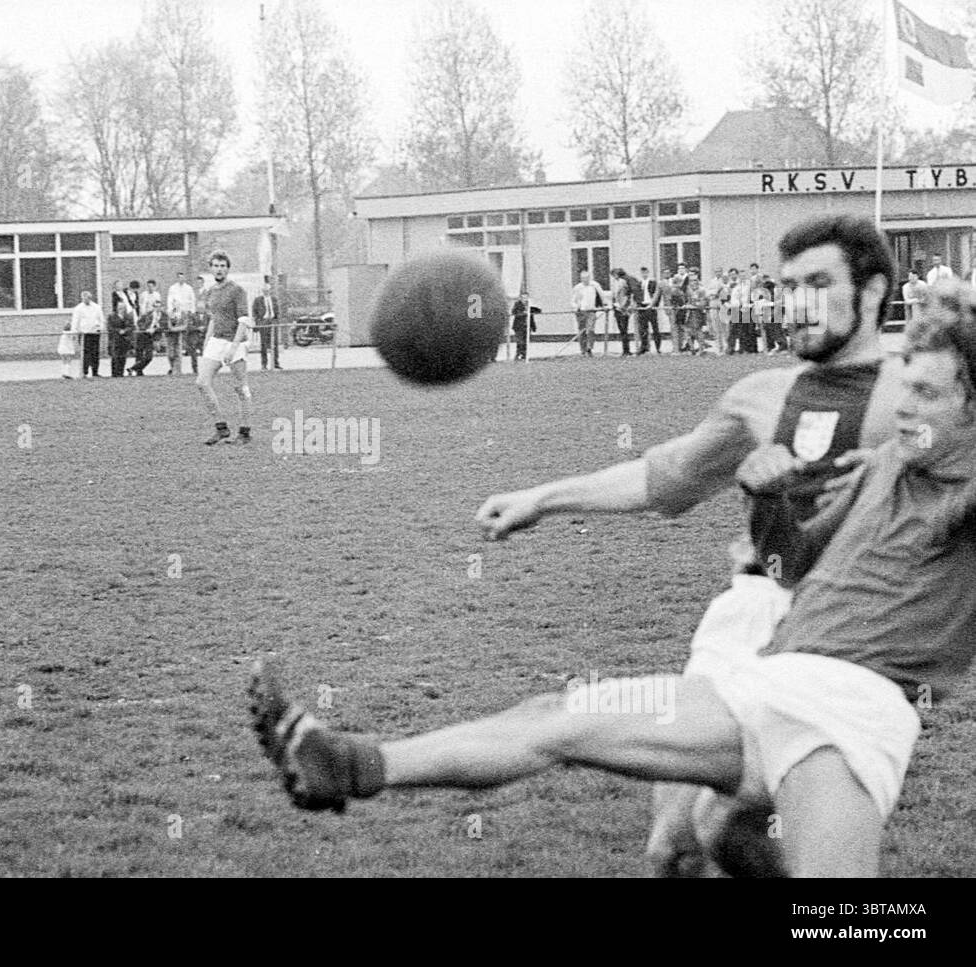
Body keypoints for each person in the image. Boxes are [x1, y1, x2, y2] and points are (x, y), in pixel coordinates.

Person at [249, 281, 976, 878]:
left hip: (846, 717)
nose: (904, 408)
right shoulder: (881, 466)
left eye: (930, 396)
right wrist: (772, 500)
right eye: (903, 387)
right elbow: (800, 564)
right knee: (559, 718)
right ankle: (346, 763)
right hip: (760, 688)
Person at [196, 250, 253, 445]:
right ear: (210, 268)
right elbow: (213, 318)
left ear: (227, 268)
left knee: (240, 388)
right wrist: (206, 343)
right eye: (216, 265)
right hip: (216, 341)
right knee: (202, 382)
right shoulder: (211, 291)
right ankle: (221, 428)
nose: (219, 269)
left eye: (223, 266)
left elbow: (244, 320)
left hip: (235, 341)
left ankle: (245, 432)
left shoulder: (237, 290)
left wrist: (233, 347)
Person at [71, 290, 105, 378]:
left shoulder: (97, 307)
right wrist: (74, 332)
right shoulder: (78, 308)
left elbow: (101, 319)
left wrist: (100, 328)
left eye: (87, 298)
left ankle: (95, 372)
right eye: (83, 298)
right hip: (84, 334)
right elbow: (75, 321)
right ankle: (84, 372)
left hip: (94, 333)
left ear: (90, 298)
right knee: (85, 353)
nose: (85, 300)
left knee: (95, 353)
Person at [252, 280, 282, 370]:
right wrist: (258, 322)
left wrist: (276, 321)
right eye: (264, 290)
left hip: (273, 323)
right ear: (262, 291)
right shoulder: (258, 300)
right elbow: (254, 312)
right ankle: (264, 364)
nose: (266, 291)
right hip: (263, 322)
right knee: (264, 344)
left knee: (275, 343)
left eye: (268, 290)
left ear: (270, 290)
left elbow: (277, 311)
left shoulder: (274, 299)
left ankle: (276, 363)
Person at [570, 270, 601, 357]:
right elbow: (573, 301)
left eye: (587, 278)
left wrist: (604, 304)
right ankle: (582, 350)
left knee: (591, 329)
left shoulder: (595, 285)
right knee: (581, 331)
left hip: (591, 310)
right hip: (581, 312)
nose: (585, 280)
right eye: (583, 278)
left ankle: (589, 348)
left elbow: (602, 295)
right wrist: (576, 307)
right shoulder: (578, 288)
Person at [129, 303, 161, 376]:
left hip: (151, 337)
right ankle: (138, 372)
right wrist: (146, 329)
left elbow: (164, 325)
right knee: (139, 355)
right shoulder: (147, 314)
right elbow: (139, 323)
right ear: (153, 307)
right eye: (155, 306)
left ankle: (133, 368)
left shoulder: (163, 316)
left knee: (149, 356)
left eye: (159, 306)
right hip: (143, 335)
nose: (157, 308)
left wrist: (155, 329)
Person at [704, 268, 728, 356]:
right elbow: (707, 293)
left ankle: (726, 347)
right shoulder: (712, 282)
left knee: (724, 327)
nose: (718, 273)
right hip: (713, 304)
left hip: (723, 305)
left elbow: (726, 292)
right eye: (716, 271)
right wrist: (713, 293)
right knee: (716, 327)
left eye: (719, 271)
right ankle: (719, 347)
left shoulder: (725, 281)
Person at [636, 267, 660, 354]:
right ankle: (644, 346)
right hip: (642, 306)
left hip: (651, 306)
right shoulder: (639, 283)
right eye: (642, 273)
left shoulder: (653, 282)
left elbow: (657, 294)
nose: (644, 274)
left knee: (655, 327)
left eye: (645, 273)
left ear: (648, 273)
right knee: (642, 328)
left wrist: (654, 305)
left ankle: (658, 347)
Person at [610, 269, 633, 356]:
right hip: (617, 307)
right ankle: (625, 349)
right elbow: (613, 295)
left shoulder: (623, 282)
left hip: (623, 308)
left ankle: (626, 349)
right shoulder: (613, 283)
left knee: (624, 329)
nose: (614, 276)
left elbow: (626, 295)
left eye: (615, 274)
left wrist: (623, 306)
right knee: (621, 329)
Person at [109, 296, 134, 377]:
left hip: (125, 339)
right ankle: (114, 373)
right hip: (115, 339)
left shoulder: (128, 316)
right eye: (119, 307)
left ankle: (121, 373)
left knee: (123, 356)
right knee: (115, 356)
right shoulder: (112, 316)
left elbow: (132, 326)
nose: (121, 309)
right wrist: (118, 330)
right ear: (117, 307)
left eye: (123, 307)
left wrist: (125, 330)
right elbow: (110, 327)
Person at [682, 271, 706, 354]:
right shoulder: (688, 290)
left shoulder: (701, 290)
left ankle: (701, 349)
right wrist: (686, 305)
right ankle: (692, 349)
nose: (693, 282)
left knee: (698, 331)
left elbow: (702, 304)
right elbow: (687, 301)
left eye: (695, 280)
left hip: (697, 313)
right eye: (691, 280)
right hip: (689, 313)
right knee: (687, 331)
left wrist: (693, 305)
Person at [510, 290, 532, 361]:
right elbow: (514, 312)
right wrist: (523, 313)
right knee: (520, 341)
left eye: (526, 297)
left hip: (527, 325)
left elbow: (536, 311)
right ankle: (518, 354)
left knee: (526, 341)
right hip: (519, 325)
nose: (524, 299)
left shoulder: (529, 304)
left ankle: (524, 355)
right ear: (520, 298)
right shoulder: (517, 304)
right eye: (523, 297)